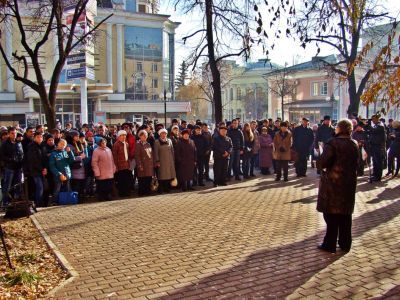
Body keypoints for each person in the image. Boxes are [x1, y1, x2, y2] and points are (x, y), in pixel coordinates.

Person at [316, 119, 359, 253]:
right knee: (345, 215)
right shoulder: (354, 143)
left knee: (331, 215)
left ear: (340, 129)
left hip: (333, 184)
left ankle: (330, 243)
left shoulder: (333, 143)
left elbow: (323, 161)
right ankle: (345, 243)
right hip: (348, 183)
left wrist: (320, 162)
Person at [0, 127, 24, 206]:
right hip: (9, 168)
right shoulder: (5, 143)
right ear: (9, 134)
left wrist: (21, 160)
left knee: (18, 186)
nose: (14, 135)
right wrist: (10, 159)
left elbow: (21, 153)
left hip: (18, 167)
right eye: (12, 133)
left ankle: (15, 201)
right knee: (7, 186)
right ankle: (5, 202)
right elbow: (2, 156)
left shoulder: (18, 142)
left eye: (15, 133)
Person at [26, 132, 47, 207]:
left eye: (41, 137)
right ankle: (38, 204)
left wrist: (45, 168)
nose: (40, 138)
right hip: (35, 170)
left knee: (43, 187)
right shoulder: (31, 146)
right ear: (34, 138)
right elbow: (33, 160)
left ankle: (41, 203)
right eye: (38, 137)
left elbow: (44, 158)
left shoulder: (43, 146)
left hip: (42, 170)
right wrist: (42, 169)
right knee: (39, 187)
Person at [67, 130, 88, 202]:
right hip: (74, 169)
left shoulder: (79, 144)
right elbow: (69, 158)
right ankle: (76, 199)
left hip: (81, 168)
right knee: (76, 185)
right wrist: (80, 157)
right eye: (76, 136)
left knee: (82, 185)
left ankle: (81, 198)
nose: (78, 137)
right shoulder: (69, 146)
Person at [154, 128, 176, 193]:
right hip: (161, 161)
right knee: (161, 176)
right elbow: (156, 152)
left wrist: (173, 159)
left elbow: (172, 150)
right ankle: (161, 189)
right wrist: (157, 161)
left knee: (168, 175)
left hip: (169, 161)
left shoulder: (169, 140)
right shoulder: (157, 142)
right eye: (162, 133)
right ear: (160, 134)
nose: (164, 135)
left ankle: (167, 188)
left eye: (165, 133)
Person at [365, 114, 386, 182]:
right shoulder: (376, 125)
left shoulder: (380, 125)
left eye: (373, 119)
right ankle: (375, 174)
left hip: (378, 146)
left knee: (378, 161)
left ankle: (378, 176)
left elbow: (374, 131)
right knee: (374, 161)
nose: (372, 120)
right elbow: (371, 132)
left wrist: (368, 125)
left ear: (377, 119)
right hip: (374, 145)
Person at [112, 130, 133, 197]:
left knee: (127, 180)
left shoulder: (126, 144)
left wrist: (129, 163)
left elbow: (128, 154)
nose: (124, 137)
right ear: (119, 136)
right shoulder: (116, 144)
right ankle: (122, 193)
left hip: (126, 165)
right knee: (121, 181)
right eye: (122, 135)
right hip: (120, 166)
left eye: (125, 135)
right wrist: (116, 166)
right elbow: (115, 156)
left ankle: (127, 192)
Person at [135, 130, 154, 196]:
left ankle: (147, 192)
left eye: (146, 135)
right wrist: (140, 165)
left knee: (148, 179)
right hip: (142, 164)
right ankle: (141, 193)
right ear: (140, 136)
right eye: (143, 135)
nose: (145, 136)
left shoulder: (148, 144)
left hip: (149, 165)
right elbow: (137, 156)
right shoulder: (138, 144)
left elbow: (151, 155)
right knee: (142, 179)